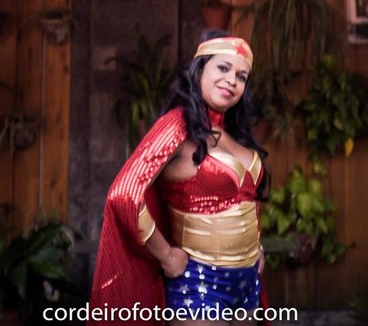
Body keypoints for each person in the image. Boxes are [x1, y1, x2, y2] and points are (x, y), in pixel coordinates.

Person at [90, 30, 269, 323]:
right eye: (223, 68)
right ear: (200, 70)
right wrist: (166, 255)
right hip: (199, 285)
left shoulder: (234, 133)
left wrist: (255, 245)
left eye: (241, 76)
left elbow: (247, 198)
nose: (232, 80)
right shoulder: (177, 125)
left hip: (248, 282)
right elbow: (124, 193)